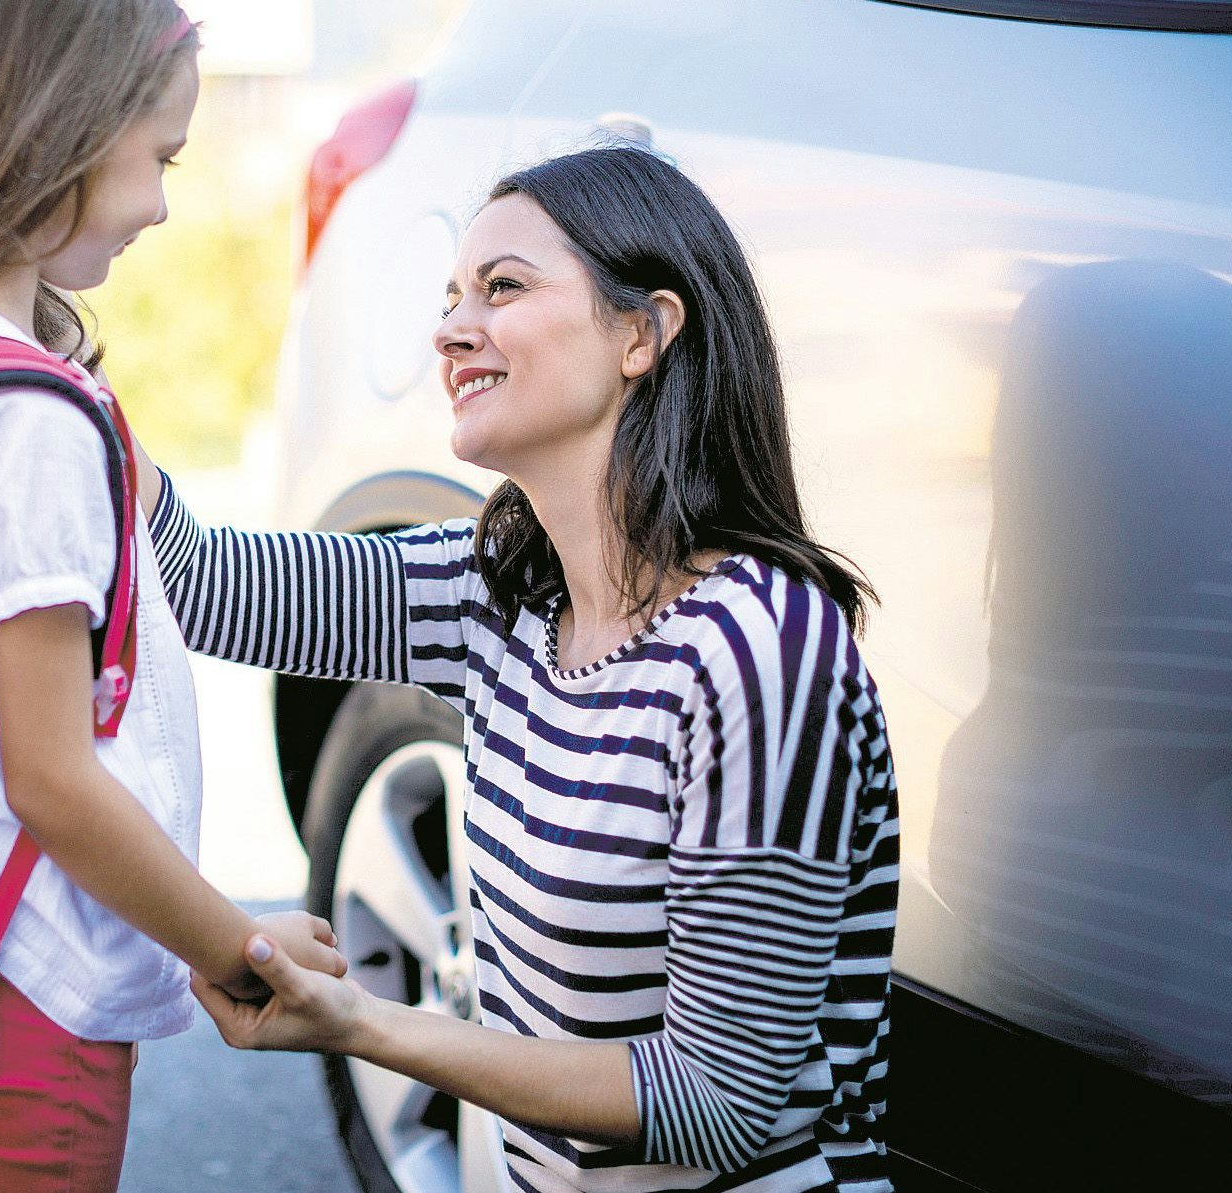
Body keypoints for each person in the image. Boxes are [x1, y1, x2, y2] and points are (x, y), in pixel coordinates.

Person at [138, 147, 900, 1192]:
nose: (451, 329)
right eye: (452, 294)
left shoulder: (761, 649)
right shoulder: (498, 592)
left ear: (645, 332)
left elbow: (717, 1107)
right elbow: (210, 586)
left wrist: (362, 1022)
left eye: (502, 287)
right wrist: (45, 362)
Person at [0, 3, 346, 1190]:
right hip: (37, 980)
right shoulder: (21, 423)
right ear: (62, 128)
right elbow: (51, 775)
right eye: (158, 158)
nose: (162, 204)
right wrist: (236, 942)